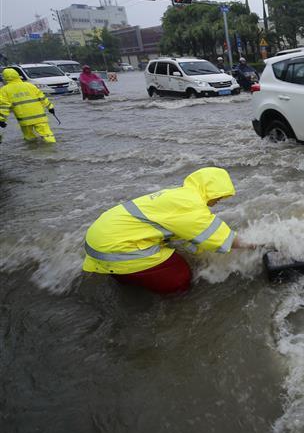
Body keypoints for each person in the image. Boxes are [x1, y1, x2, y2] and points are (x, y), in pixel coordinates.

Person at [82, 167, 255, 294]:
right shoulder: (189, 204)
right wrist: (255, 244)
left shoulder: (177, 195)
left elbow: (187, 235)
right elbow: (219, 237)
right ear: (210, 189)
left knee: (166, 259)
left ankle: (127, 278)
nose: (220, 200)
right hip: (117, 249)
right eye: (220, 195)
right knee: (180, 277)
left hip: (98, 241)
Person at [0, 68, 56, 143]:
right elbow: (42, 98)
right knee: (47, 135)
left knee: (29, 138)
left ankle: (32, 150)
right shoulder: (30, 85)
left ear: (4, 78)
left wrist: (1, 120)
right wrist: (50, 107)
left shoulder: (4, 90)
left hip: (24, 119)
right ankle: (52, 149)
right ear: (17, 75)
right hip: (39, 117)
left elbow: (4, 106)